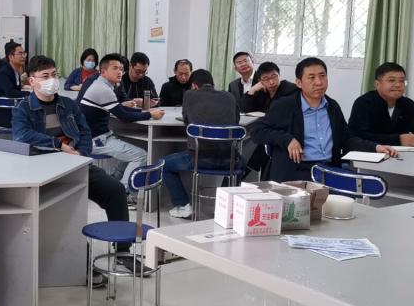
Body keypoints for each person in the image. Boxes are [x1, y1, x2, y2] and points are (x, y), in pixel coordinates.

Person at [13, 55, 132, 283]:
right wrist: (58, 145)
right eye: (45, 76)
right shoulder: (23, 108)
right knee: (69, 208)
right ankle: (80, 264)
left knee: (115, 190)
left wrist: (82, 156)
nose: (52, 80)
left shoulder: (68, 104)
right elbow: (22, 135)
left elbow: (85, 132)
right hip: (44, 170)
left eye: (54, 75)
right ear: (32, 81)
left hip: (76, 164)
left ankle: (123, 252)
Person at [249, 57, 396, 182]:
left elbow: (346, 139)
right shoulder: (285, 105)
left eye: (322, 76)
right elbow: (257, 130)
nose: (319, 82)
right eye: (311, 77)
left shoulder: (332, 106)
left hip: (329, 170)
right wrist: (287, 140)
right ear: (299, 83)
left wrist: (375, 147)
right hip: (296, 172)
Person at [79, 54, 164, 202]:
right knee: (141, 156)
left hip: (101, 136)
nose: (119, 72)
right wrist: (149, 114)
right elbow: (124, 116)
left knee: (132, 148)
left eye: (121, 69)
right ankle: (123, 193)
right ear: (103, 71)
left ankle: (114, 183)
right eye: (115, 68)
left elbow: (122, 109)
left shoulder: (106, 85)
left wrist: (145, 111)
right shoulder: (102, 88)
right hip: (95, 141)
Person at [160, 69, 241, 219]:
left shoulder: (189, 95)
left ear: (194, 85)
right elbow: (235, 122)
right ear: (213, 84)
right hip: (229, 160)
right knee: (241, 164)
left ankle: (183, 206)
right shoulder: (229, 96)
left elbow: (187, 122)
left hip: (199, 158)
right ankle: (226, 205)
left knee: (163, 164)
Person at [349, 63, 414, 147]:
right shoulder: (363, 103)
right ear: (377, 84)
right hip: (370, 152)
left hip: (403, 153)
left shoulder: (408, 104)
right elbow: (356, 136)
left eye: (401, 81)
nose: (398, 85)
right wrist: (398, 139)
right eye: (391, 80)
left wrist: (404, 140)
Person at [0, 41, 27, 129]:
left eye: (24, 53)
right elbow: (10, 93)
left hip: (13, 112)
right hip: (3, 116)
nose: (23, 56)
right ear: (11, 57)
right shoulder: (4, 72)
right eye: (20, 53)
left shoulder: (15, 71)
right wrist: (30, 94)